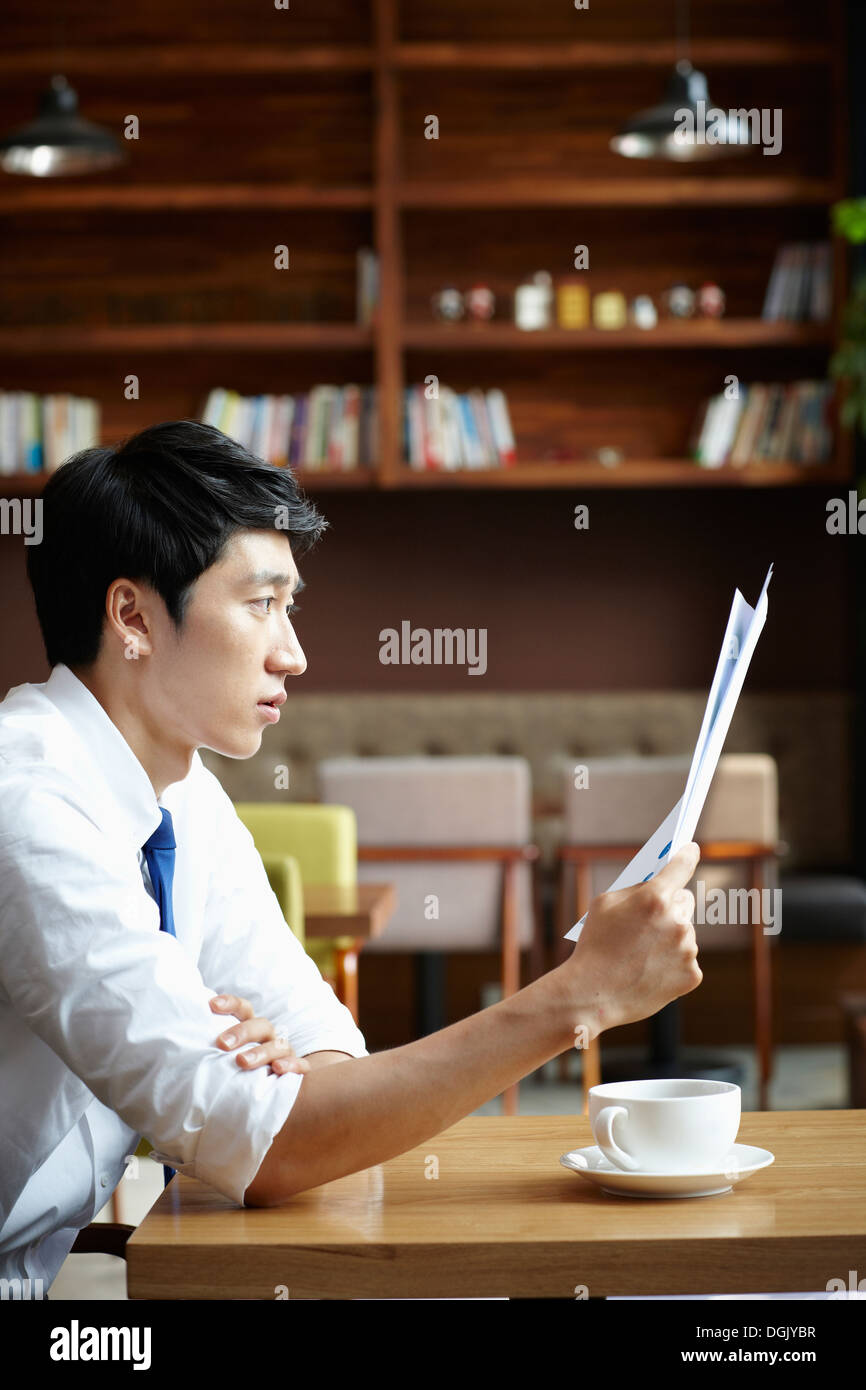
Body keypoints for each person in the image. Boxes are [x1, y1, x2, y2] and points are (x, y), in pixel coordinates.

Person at [0, 420, 701, 1290]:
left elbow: (323, 1049)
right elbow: (273, 1148)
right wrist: (578, 996)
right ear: (134, 616)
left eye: (290, 607)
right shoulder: (26, 803)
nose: (293, 652)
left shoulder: (180, 790)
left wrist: (286, 1097)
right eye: (260, 604)